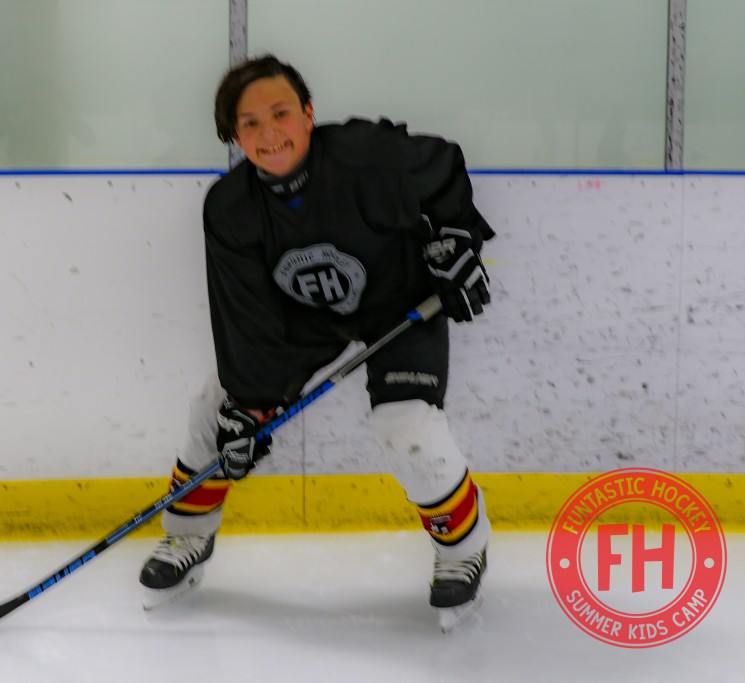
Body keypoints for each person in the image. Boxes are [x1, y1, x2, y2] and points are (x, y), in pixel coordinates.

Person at [139, 54, 494, 622]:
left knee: (405, 427)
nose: (268, 132)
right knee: (215, 405)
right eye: (249, 123)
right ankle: (187, 535)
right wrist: (250, 409)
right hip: (304, 318)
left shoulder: (368, 156)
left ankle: (461, 548)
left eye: (280, 113)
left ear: (308, 114)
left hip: (400, 302)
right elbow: (246, 316)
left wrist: (455, 239)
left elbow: (443, 166)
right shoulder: (230, 210)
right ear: (233, 134)